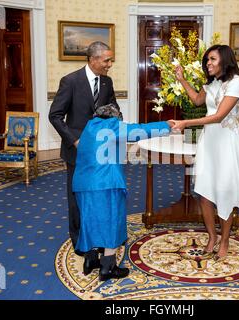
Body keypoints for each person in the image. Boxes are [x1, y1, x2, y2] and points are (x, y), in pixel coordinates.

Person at [170, 44, 239, 261]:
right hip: (209, 143)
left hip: (227, 144)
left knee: (224, 191)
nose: (208, 63)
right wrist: (182, 79)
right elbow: (197, 100)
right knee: (205, 194)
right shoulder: (212, 83)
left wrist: (186, 122)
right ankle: (212, 236)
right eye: (207, 60)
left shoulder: (236, 83)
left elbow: (218, 117)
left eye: (212, 59)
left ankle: (225, 240)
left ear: (225, 60)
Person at [73, 103, 171, 281]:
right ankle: (107, 268)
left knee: (90, 221)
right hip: (105, 184)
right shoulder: (111, 125)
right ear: (115, 117)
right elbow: (140, 130)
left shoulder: (88, 128)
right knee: (111, 222)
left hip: (81, 184)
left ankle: (91, 260)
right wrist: (167, 125)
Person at [48, 41, 118, 267]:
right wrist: (75, 140)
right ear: (93, 59)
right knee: (77, 197)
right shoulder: (70, 81)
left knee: (97, 195)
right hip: (77, 151)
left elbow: (113, 108)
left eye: (110, 60)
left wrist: (116, 120)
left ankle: (97, 238)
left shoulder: (107, 82)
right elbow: (55, 115)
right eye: (107, 60)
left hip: (101, 151)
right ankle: (79, 241)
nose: (110, 64)